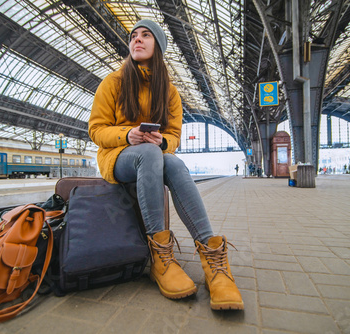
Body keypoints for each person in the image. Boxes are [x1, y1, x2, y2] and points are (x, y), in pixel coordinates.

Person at [88, 19, 243, 310]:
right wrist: (127, 134)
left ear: (157, 46)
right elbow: (96, 130)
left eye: (146, 35)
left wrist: (161, 142)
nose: (137, 40)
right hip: (117, 156)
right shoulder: (113, 82)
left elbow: (174, 136)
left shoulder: (169, 91)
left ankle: (213, 258)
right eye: (134, 36)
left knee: (172, 162)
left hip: (152, 154)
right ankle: (161, 256)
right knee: (148, 153)